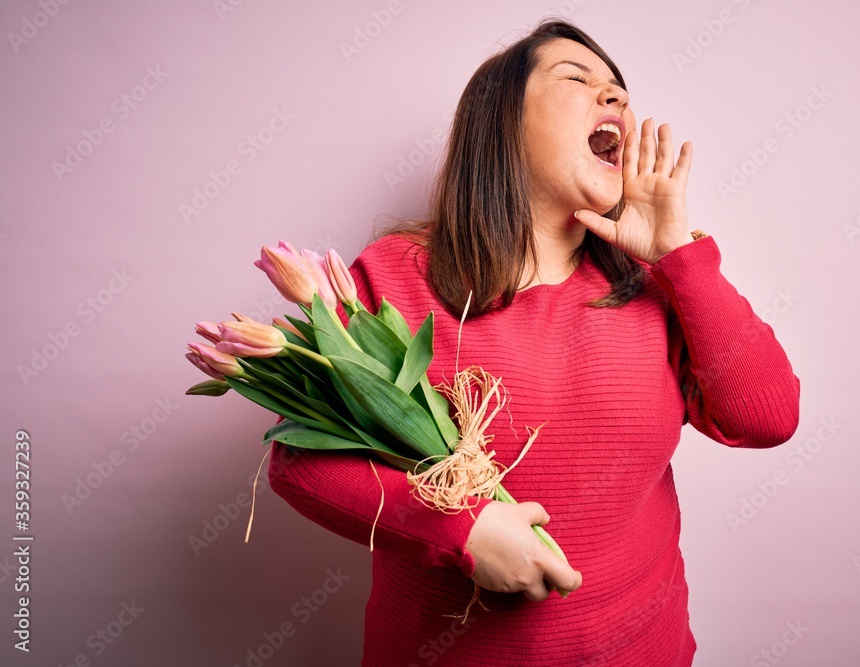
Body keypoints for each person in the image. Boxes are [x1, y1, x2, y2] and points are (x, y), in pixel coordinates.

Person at [267, 18, 800, 666]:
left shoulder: (657, 286)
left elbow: (768, 417)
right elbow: (298, 459)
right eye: (577, 78)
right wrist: (459, 529)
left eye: (619, 90)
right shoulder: (393, 276)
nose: (616, 96)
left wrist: (677, 255)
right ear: (502, 122)